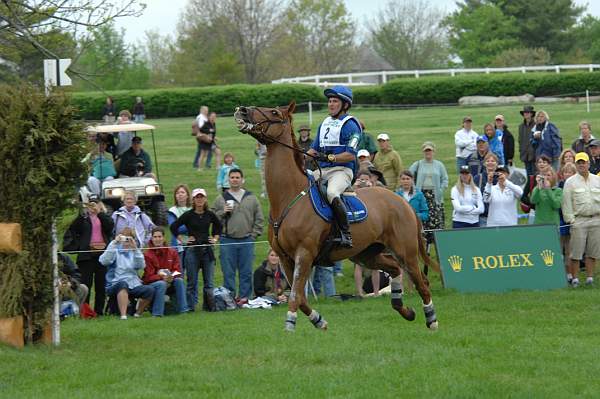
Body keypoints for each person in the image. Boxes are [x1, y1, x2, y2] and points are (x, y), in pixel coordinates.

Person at [306, 85, 362, 248]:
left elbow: (351, 154)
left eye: (335, 101)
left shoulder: (351, 125)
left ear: (345, 105)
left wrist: (330, 157)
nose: (330, 104)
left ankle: (346, 233)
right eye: (329, 101)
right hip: (322, 170)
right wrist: (298, 156)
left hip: (342, 170)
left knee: (331, 192)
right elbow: (314, 149)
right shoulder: (325, 123)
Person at [214, 169, 264, 306]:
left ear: (242, 180)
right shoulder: (221, 199)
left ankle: (244, 298)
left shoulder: (251, 198)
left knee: (246, 271)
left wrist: (253, 236)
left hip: (246, 240)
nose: (235, 180)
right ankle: (229, 298)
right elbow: (213, 219)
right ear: (228, 180)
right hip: (227, 240)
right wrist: (222, 212)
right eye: (232, 177)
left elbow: (259, 218)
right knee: (228, 272)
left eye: (237, 177)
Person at [170, 188, 222, 311]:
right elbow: (173, 227)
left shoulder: (209, 214)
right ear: (193, 199)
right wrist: (182, 239)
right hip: (192, 250)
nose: (199, 199)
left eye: (201, 197)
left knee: (208, 282)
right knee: (192, 282)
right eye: (197, 197)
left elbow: (219, 226)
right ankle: (190, 306)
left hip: (207, 250)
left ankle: (209, 307)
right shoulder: (188, 214)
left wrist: (215, 238)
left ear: (205, 199)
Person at [62, 195, 114, 315]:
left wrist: (99, 213)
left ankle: (99, 311)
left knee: (101, 286)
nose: (93, 206)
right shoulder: (83, 218)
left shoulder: (104, 217)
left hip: (102, 255)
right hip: (86, 256)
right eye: (90, 204)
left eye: (95, 203)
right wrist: (83, 213)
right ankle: (85, 311)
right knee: (86, 284)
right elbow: (74, 228)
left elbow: (110, 226)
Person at [562, 152, 600, 287]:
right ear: (576, 165)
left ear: (589, 163)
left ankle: (590, 278)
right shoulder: (570, 182)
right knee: (576, 253)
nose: (581, 165)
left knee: (593, 252)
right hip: (579, 221)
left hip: (596, 219)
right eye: (579, 162)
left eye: (584, 162)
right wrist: (571, 220)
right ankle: (575, 279)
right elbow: (566, 203)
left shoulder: (597, 180)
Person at [100, 227, 154, 319]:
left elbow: (141, 265)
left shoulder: (134, 252)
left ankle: (137, 314)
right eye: (124, 238)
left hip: (133, 284)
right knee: (123, 284)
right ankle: (123, 315)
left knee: (149, 290)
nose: (126, 241)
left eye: (128, 238)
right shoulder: (115, 250)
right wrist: (114, 243)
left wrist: (135, 249)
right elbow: (104, 261)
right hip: (115, 283)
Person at [143, 227, 189, 316]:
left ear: (163, 238)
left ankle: (183, 310)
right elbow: (148, 277)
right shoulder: (147, 254)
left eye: (159, 237)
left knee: (179, 281)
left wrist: (172, 276)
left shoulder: (172, 252)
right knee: (161, 284)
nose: (157, 239)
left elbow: (178, 271)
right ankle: (157, 314)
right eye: (155, 237)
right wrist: (162, 277)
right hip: (154, 283)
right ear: (151, 238)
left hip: (170, 280)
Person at [409, 141, 448, 243]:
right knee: (422, 218)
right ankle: (423, 242)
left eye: (430, 150)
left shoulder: (439, 165)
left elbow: (445, 179)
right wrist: (413, 188)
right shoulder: (418, 164)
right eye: (426, 151)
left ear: (433, 151)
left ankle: (436, 242)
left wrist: (441, 189)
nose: (428, 153)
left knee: (436, 218)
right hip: (422, 194)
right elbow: (408, 176)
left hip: (435, 195)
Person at [558, 162, 577, 281]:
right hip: (561, 220)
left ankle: (569, 273)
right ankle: (558, 272)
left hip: (572, 221)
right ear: (562, 174)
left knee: (569, 249)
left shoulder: (576, 187)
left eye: (570, 172)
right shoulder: (559, 187)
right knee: (559, 248)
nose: (568, 174)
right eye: (566, 172)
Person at [167, 184, 192, 266]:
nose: (180, 194)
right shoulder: (172, 211)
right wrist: (189, 225)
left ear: (187, 195)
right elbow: (173, 227)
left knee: (191, 270)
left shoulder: (192, 210)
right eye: (177, 193)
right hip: (177, 244)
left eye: (182, 192)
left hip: (191, 243)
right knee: (179, 270)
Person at [518, 105, 537, 176]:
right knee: (528, 175)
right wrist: (521, 150)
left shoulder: (536, 125)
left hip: (534, 155)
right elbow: (520, 140)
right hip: (525, 154)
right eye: (524, 112)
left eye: (527, 112)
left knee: (535, 174)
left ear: (531, 114)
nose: (526, 114)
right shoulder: (521, 126)